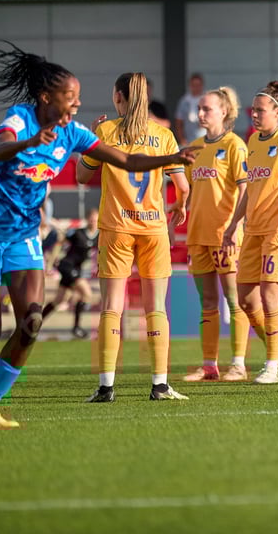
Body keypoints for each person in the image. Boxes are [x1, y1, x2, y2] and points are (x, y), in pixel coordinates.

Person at [0, 42, 195, 428]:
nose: (77, 104)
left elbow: (126, 160)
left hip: (23, 236)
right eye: (70, 97)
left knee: (32, 322)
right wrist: (30, 143)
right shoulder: (20, 118)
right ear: (46, 98)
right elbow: (2, 149)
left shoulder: (73, 133)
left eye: (78, 97)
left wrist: (171, 158)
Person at [77, 72, 191, 403]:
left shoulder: (105, 132)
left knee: (111, 307)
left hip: (116, 227)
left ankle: (106, 387)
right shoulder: (163, 135)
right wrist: (179, 206)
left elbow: (82, 176)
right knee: (155, 308)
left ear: (118, 97)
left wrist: (90, 142)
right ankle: (160, 385)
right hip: (153, 228)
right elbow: (183, 186)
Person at [222, 81, 278, 385]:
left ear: (277, 111)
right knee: (246, 300)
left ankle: (271, 367)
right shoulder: (253, 141)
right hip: (253, 229)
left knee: (271, 297)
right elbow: (250, 189)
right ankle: (277, 350)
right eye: (253, 110)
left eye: (260, 110)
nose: (255, 115)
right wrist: (234, 223)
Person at [182, 86, 259, 383]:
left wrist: (235, 226)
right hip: (198, 234)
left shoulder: (235, 145)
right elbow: (187, 190)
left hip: (225, 235)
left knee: (234, 300)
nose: (200, 114)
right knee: (208, 303)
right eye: (199, 109)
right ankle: (209, 366)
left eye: (207, 109)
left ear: (224, 111)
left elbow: (245, 189)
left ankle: (238, 364)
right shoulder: (195, 147)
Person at [41, 208, 99, 340]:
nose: (93, 222)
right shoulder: (78, 233)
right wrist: (51, 261)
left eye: (96, 219)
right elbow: (60, 242)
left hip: (77, 269)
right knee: (87, 293)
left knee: (59, 300)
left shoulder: (98, 236)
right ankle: (76, 328)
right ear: (87, 220)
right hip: (67, 266)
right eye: (91, 219)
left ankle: (35, 324)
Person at [174, 72, 206, 143]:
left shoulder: (207, 99)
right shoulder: (184, 101)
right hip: (189, 141)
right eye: (194, 85)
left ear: (202, 85)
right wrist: (181, 139)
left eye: (198, 85)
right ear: (190, 85)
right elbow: (178, 122)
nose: (196, 87)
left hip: (205, 139)